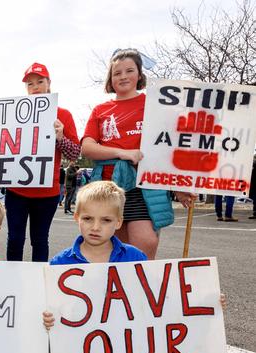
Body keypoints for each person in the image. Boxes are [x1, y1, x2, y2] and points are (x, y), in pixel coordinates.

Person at [43, 180, 225, 329]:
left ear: (118, 222)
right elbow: (49, 306)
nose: (96, 227)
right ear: (77, 218)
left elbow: (159, 298)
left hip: (126, 348)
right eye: (88, 218)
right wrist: (46, 318)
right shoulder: (60, 263)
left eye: (106, 220)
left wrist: (204, 301)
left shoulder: (135, 257)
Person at [81, 48, 194, 259]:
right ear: (110, 78)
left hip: (145, 185)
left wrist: (178, 187)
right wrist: (123, 153)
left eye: (129, 70)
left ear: (139, 75)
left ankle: (143, 290)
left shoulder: (155, 104)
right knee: (117, 251)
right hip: (110, 187)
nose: (123, 76)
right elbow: (87, 147)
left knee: (144, 247)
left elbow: (168, 147)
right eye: (117, 73)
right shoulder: (100, 110)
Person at [0, 62, 81, 262]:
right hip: (17, 190)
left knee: (39, 240)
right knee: (15, 239)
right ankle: (13, 282)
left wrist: (60, 137)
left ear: (48, 83)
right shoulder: (14, 112)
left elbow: (75, 153)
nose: (35, 87)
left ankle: (38, 281)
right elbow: (2, 146)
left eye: (39, 81)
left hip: (47, 192)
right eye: (30, 84)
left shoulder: (63, 114)